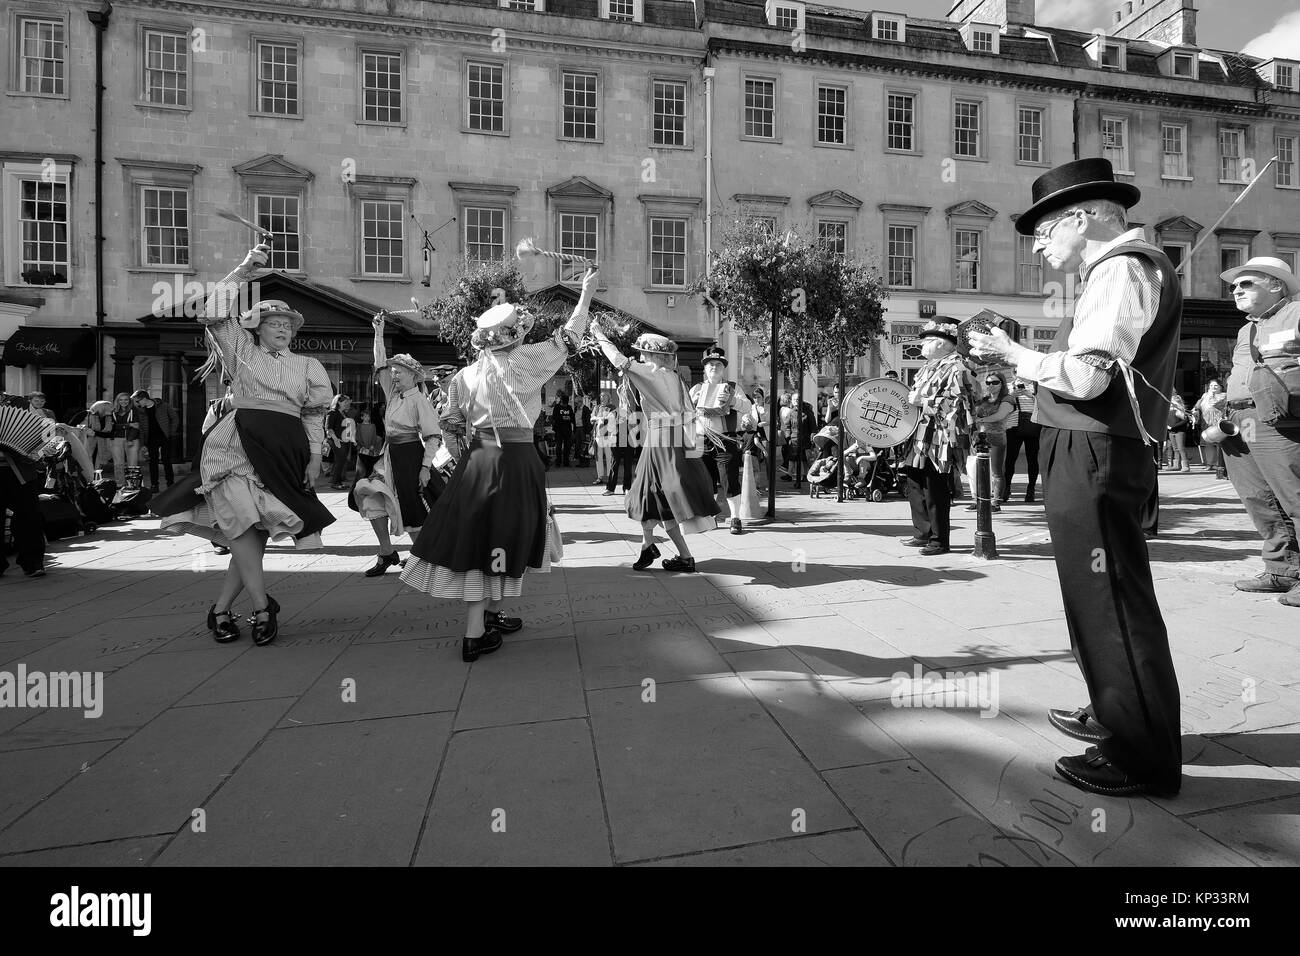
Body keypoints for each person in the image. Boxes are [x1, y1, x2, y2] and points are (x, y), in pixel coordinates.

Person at [969, 157, 1183, 797]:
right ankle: (1118, 712)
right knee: (1102, 596)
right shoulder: (1123, 267)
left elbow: (1090, 377)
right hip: (1093, 446)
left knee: (1109, 600)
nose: (1037, 244)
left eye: (1042, 229)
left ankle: (1138, 754)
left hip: (1092, 449)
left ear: (1083, 216)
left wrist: (1014, 355)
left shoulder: (1121, 268)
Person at [401, 267, 598, 663]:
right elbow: (570, 335)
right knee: (509, 535)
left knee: (479, 538)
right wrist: (587, 293)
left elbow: (452, 424)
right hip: (517, 458)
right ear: (517, 334)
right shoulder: (524, 360)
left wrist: (461, 461)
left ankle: (487, 618)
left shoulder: (465, 375)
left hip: (477, 459)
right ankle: (479, 629)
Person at [156, 243, 335, 646]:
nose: (283, 327)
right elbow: (210, 313)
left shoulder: (309, 366)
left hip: (284, 446)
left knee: (251, 534)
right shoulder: (241, 351)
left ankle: (221, 609)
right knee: (239, 520)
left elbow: (314, 415)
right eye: (274, 321)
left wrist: (315, 455)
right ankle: (260, 606)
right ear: (256, 325)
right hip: (237, 443)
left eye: (289, 323)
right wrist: (240, 271)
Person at [589, 325, 718, 572]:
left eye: (641, 353)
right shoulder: (676, 378)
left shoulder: (651, 373)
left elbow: (617, 359)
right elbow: (690, 414)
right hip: (676, 437)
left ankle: (657, 547)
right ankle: (659, 548)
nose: (639, 357)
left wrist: (598, 333)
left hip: (660, 438)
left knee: (651, 495)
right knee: (650, 496)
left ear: (651, 355)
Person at [1217, 256, 1300, 607]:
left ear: (1276, 285)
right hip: (1240, 419)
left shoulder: (1296, 312)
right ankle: (1281, 569)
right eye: (1234, 286)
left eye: (1246, 283)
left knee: (1294, 497)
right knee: (1258, 498)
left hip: (1280, 420)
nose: (1237, 290)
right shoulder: (1244, 329)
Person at [352, 315, 444, 577]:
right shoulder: (393, 394)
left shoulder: (419, 401)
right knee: (369, 496)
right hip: (389, 455)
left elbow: (433, 436)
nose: (393, 375)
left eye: (399, 372)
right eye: (393, 372)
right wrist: (378, 333)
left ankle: (424, 561)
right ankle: (386, 552)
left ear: (413, 375)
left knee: (413, 508)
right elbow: (379, 364)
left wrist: (425, 467)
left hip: (409, 456)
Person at [899, 317, 975, 556]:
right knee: (914, 481)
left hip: (941, 436)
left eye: (928, 340)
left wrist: (924, 401)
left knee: (935, 488)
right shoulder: (927, 368)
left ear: (943, 343)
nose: (922, 345)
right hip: (920, 435)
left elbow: (960, 402)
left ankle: (939, 540)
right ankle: (922, 532)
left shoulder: (957, 366)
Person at [690, 347, 750, 535]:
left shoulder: (733, 387)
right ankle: (710, 517)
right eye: (710, 365)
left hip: (725, 438)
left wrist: (732, 401)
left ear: (723, 368)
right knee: (706, 480)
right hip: (702, 439)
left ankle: (735, 518)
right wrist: (693, 402)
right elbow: (682, 413)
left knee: (729, 479)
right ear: (705, 369)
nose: (714, 367)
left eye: (718, 364)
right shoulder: (696, 388)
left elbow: (748, 407)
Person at [0, 404, 51, 577]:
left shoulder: (20, 404)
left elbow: (45, 432)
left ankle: (33, 562)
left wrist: (40, 453)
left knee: (29, 516)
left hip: (20, 471)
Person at [965, 372, 1013, 512]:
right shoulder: (984, 399)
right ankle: (976, 499)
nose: (991, 385)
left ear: (1002, 383)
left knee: (996, 471)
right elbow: (974, 412)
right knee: (974, 469)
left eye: (995, 382)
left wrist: (979, 420)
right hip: (979, 437)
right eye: (988, 382)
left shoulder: (1007, 399)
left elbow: (999, 416)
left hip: (996, 437)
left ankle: (995, 502)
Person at [1001, 381, 1041, 503]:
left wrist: (1031, 396)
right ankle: (1006, 488)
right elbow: (1001, 404)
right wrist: (1012, 395)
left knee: (1032, 458)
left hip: (1032, 426)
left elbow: (1044, 404)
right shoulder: (1009, 387)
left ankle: (1031, 490)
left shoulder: (1036, 386)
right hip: (1013, 426)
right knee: (1010, 458)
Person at [131, 389, 178, 491]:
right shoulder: (141, 411)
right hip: (151, 439)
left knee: (166, 461)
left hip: (164, 437)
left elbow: (175, 418)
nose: (137, 404)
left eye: (138, 401)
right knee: (153, 462)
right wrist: (143, 444)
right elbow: (142, 429)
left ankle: (171, 484)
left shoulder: (163, 406)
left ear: (144, 399)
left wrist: (170, 432)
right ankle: (154, 485)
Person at [1193, 379, 1228, 479]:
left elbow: (1214, 404)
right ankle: (1209, 463)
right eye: (1211, 385)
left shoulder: (1224, 396)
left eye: (1216, 385)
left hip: (1218, 422)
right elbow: (1197, 406)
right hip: (1206, 422)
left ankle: (1218, 463)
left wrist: (1211, 395)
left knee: (1218, 444)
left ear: (1221, 387)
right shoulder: (1205, 395)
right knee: (1208, 444)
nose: (1213, 387)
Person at [107, 392, 141, 486]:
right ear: (117, 401)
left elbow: (137, 427)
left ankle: (132, 485)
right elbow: (111, 427)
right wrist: (128, 425)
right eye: (121, 400)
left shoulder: (134, 411)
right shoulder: (112, 412)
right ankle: (120, 485)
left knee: (132, 465)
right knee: (118, 464)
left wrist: (130, 439)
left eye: (126, 399)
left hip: (132, 439)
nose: (123, 402)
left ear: (129, 400)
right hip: (116, 440)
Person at [326, 394, 354, 489]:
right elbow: (329, 428)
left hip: (344, 441)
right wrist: (336, 440)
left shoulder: (344, 414)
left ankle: (339, 481)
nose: (347, 404)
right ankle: (335, 482)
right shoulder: (332, 412)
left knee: (341, 460)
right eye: (345, 402)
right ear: (339, 402)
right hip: (336, 440)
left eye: (347, 402)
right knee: (340, 460)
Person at [1163, 393, 1191, 472]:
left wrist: (1173, 427)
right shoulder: (1168, 411)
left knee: (1181, 448)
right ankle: (1176, 465)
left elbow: (1185, 421)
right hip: (1171, 432)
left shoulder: (1178, 411)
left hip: (1179, 432)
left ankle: (1185, 465)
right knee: (1175, 449)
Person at [354, 407, 382, 479]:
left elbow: (374, 436)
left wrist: (372, 445)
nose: (367, 418)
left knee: (369, 459)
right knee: (361, 460)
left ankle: (369, 474)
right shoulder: (359, 426)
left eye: (368, 416)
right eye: (365, 416)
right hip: (361, 446)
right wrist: (361, 445)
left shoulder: (373, 426)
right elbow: (358, 436)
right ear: (362, 417)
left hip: (370, 446)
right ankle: (360, 474)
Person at [552, 392, 575, 467]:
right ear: (561, 401)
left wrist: (570, 418)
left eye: (565, 404)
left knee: (567, 446)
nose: (565, 406)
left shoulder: (569, 407)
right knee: (558, 446)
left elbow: (572, 417)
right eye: (563, 404)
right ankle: (558, 461)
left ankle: (566, 461)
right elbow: (554, 417)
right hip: (559, 429)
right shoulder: (557, 407)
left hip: (567, 430)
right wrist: (563, 417)